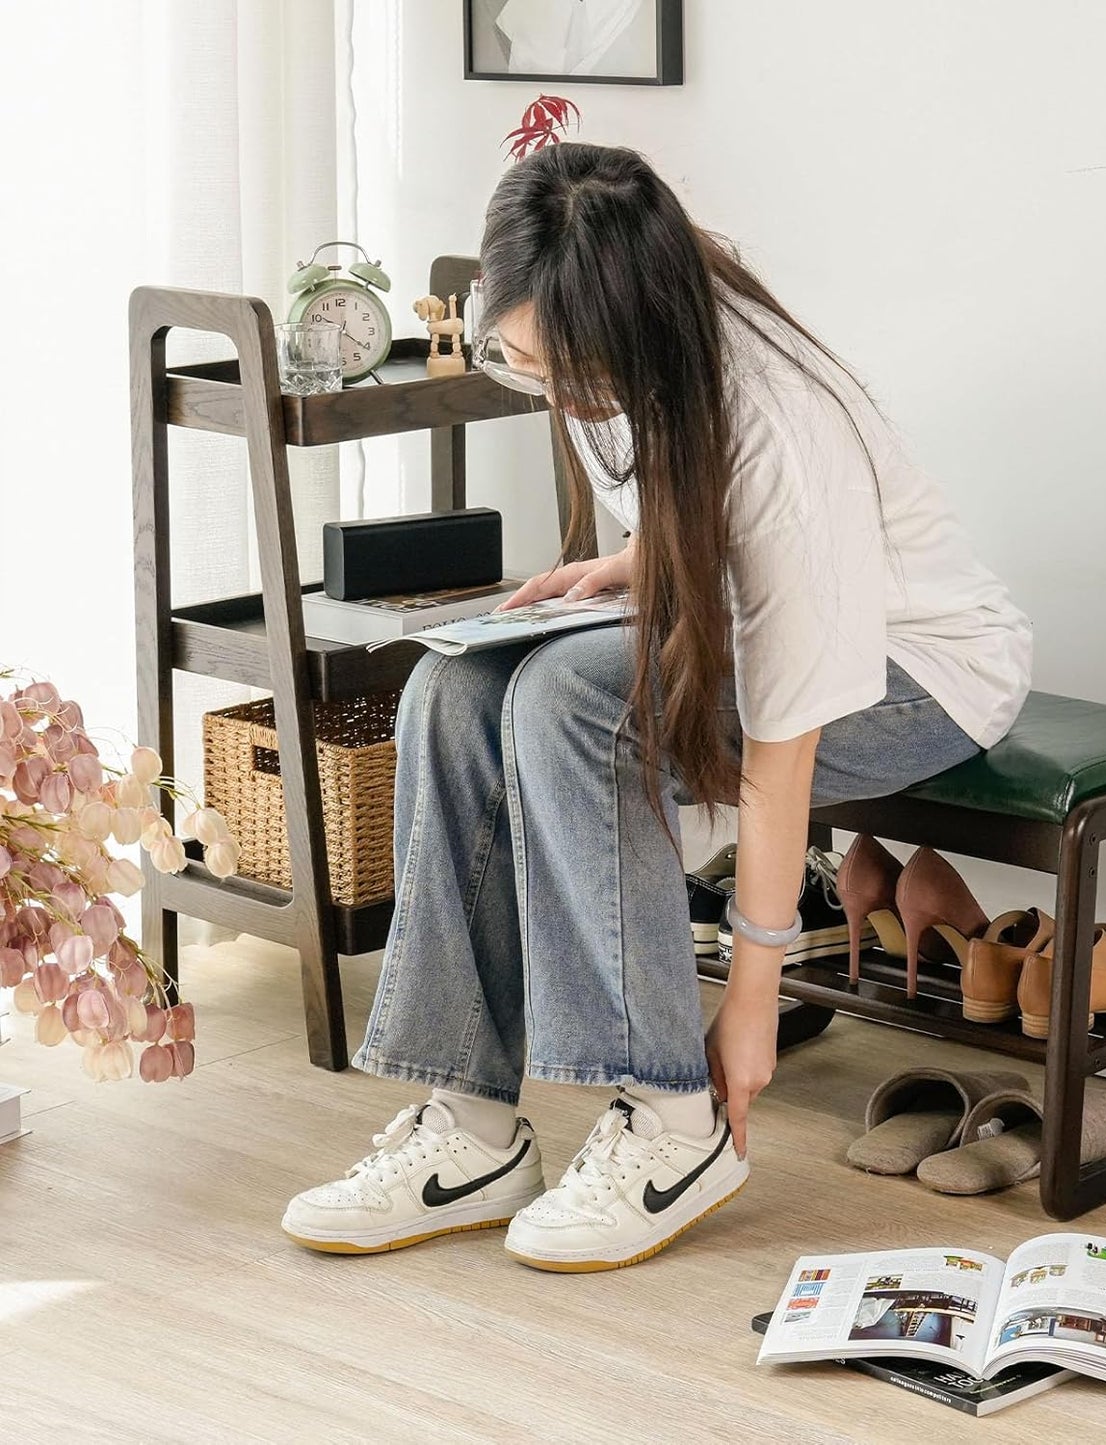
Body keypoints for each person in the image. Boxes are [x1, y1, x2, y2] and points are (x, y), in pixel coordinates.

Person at [281, 143, 1032, 1271]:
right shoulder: (616, 345)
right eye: (524, 360)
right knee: (448, 685)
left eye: (567, 368)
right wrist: (636, 560)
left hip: (918, 672)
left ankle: (671, 1119)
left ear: (634, 325)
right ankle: (470, 1127)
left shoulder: (783, 426)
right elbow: (701, 509)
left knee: (572, 702)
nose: (554, 389)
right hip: (742, 625)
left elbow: (783, 748)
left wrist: (747, 1000)